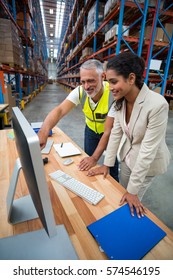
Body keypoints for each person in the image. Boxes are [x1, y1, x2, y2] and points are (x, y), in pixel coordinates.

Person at [87, 52, 170, 218]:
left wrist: (133, 191)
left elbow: (147, 150)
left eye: (113, 81)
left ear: (131, 79)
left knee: (130, 198)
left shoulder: (157, 105)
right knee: (121, 193)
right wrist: (107, 164)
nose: (109, 87)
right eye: (108, 82)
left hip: (149, 163)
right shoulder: (120, 102)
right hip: (126, 157)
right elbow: (115, 135)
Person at [38, 59, 119, 181]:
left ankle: (115, 187)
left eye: (91, 81)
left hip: (110, 133)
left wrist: (95, 157)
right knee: (88, 163)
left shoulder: (113, 93)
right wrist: (44, 131)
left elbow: (109, 131)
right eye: (83, 82)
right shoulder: (80, 92)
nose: (86, 86)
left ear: (103, 76)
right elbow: (60, 110)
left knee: (111, 164)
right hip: (91, 131)